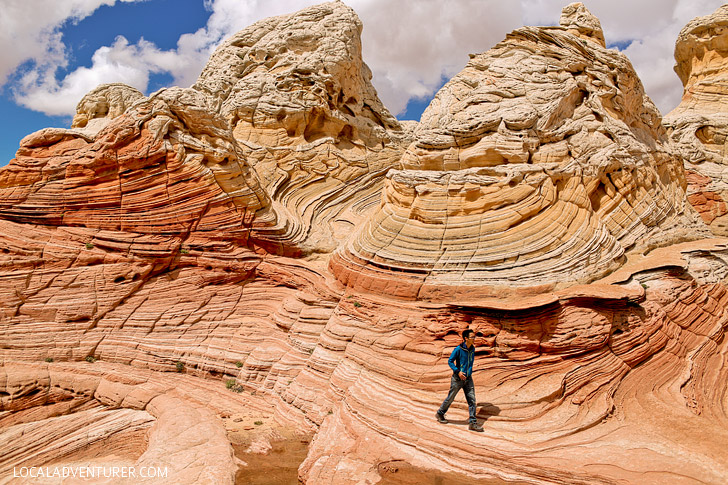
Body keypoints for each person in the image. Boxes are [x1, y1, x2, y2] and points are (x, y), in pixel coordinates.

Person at [436, 329, 483, 432]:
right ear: (466, 338)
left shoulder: (472, 349)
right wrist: (458, 372)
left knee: (472, 400)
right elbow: (450, 361)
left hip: (468, 378)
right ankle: (440, 413)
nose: (474, 339)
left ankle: (473, 423)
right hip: (458, 379)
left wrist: (468, 372)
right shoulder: (458, 349)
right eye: (472, 337)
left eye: (474, 337)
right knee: (451, 398)